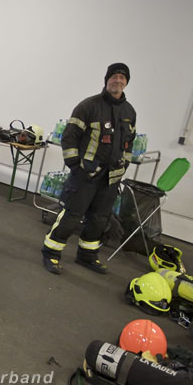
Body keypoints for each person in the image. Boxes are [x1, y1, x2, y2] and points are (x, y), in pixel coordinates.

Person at [41, 63, 136, 275]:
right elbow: (70, 136)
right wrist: (75, 165)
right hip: (86, 175)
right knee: (71, 216)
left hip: (110, 178)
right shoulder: (89, 106)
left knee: (99, 219)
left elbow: (129, 143)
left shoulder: (129, 112)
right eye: (114, 77)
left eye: (122, 78)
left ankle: (87, 256)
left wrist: (124, 165)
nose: (118, 81)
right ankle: (51, 252)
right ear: (107, 80)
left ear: (126, 82)